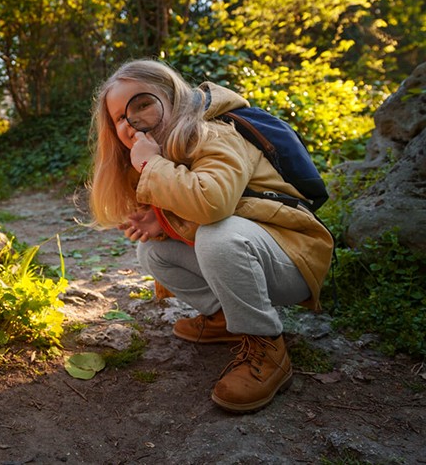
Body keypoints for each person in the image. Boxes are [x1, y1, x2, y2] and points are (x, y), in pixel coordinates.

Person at [88, 59, 333, 413]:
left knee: (219, 237)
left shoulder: (214, 132)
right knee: (154, 252)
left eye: (141, 104)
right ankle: (223, 319)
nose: (132, 120)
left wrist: (150, 166)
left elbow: (213, 204)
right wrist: (164, 224)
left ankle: (267, 345)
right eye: (120, 118)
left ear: (172, 97)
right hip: (256, 252)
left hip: (292, 256)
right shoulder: (170, 146)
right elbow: (208, 207)